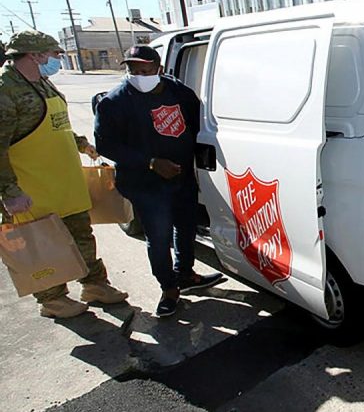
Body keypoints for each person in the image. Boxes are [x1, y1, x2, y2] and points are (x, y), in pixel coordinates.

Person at [0, 30, 128, 318]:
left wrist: (81, 144)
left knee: (80, 234)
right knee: (39, 243)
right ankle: (52, 299)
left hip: (62, 180)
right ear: (34, 55)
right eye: (51, 54)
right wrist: (10, 192)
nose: (55, 60)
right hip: (30, 188)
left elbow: (55, 125)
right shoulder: (5, 91)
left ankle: (94, 285)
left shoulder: (43, 83)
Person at [95, 45, 221, 318]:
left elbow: (200, 122)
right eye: (132, 70)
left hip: (182, 178)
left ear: (159, 69)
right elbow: (106, 145)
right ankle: (169, 288)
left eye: (145, 70)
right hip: (146, 184)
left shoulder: (179, 93)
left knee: (186, 229)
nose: (138, 75)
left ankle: (185, 275)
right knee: (159, 237)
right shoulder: (114, 102)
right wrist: (151, 162)